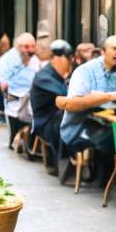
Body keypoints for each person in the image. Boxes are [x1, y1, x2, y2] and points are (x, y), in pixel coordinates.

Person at [59, 35, 116, 184]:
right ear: (103, 51)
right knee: (115, 137)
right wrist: (104, 97)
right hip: (80, 124)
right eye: (115, 49)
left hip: (109, 122)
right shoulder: (85, 72)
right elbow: (74, 103)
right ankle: (111, 180)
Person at [30, 40, 72, 172]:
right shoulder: (44, 76)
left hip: (57, 117)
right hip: (45, 122)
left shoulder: (56, 74)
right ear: (58, 59)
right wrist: (66, 77)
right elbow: (64, 95)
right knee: (64, 121)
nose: (69, 63)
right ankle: (62, 162)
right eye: (68, 59)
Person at [0, 32, 41, 148]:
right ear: (18, 46)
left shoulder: (35, 60)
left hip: (33, 97)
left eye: (32, 46)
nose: (30, 50)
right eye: (26, 47)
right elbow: (3, 84)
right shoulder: (7, 60)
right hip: (14, 97)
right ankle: (15, 139)